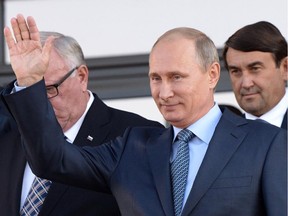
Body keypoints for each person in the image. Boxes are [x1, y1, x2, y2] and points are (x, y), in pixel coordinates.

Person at [2, 14, 286, 216]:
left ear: (212, 74)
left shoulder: (266, 143)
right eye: (155, 78)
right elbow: (51, 159)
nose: (164, 92)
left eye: (176, 77)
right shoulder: (131, 148)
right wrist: (30, 83)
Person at [0, 16, 163, 216]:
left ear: (82, 77)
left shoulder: (136, 137)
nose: (39, 102)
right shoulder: (9, 140)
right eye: (32, 90)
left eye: (49, 89)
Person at [222, 21, 288, 129]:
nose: (246, 84)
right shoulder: (220, 137)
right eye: (236, 71)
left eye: (255, 69)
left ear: (285, 68)